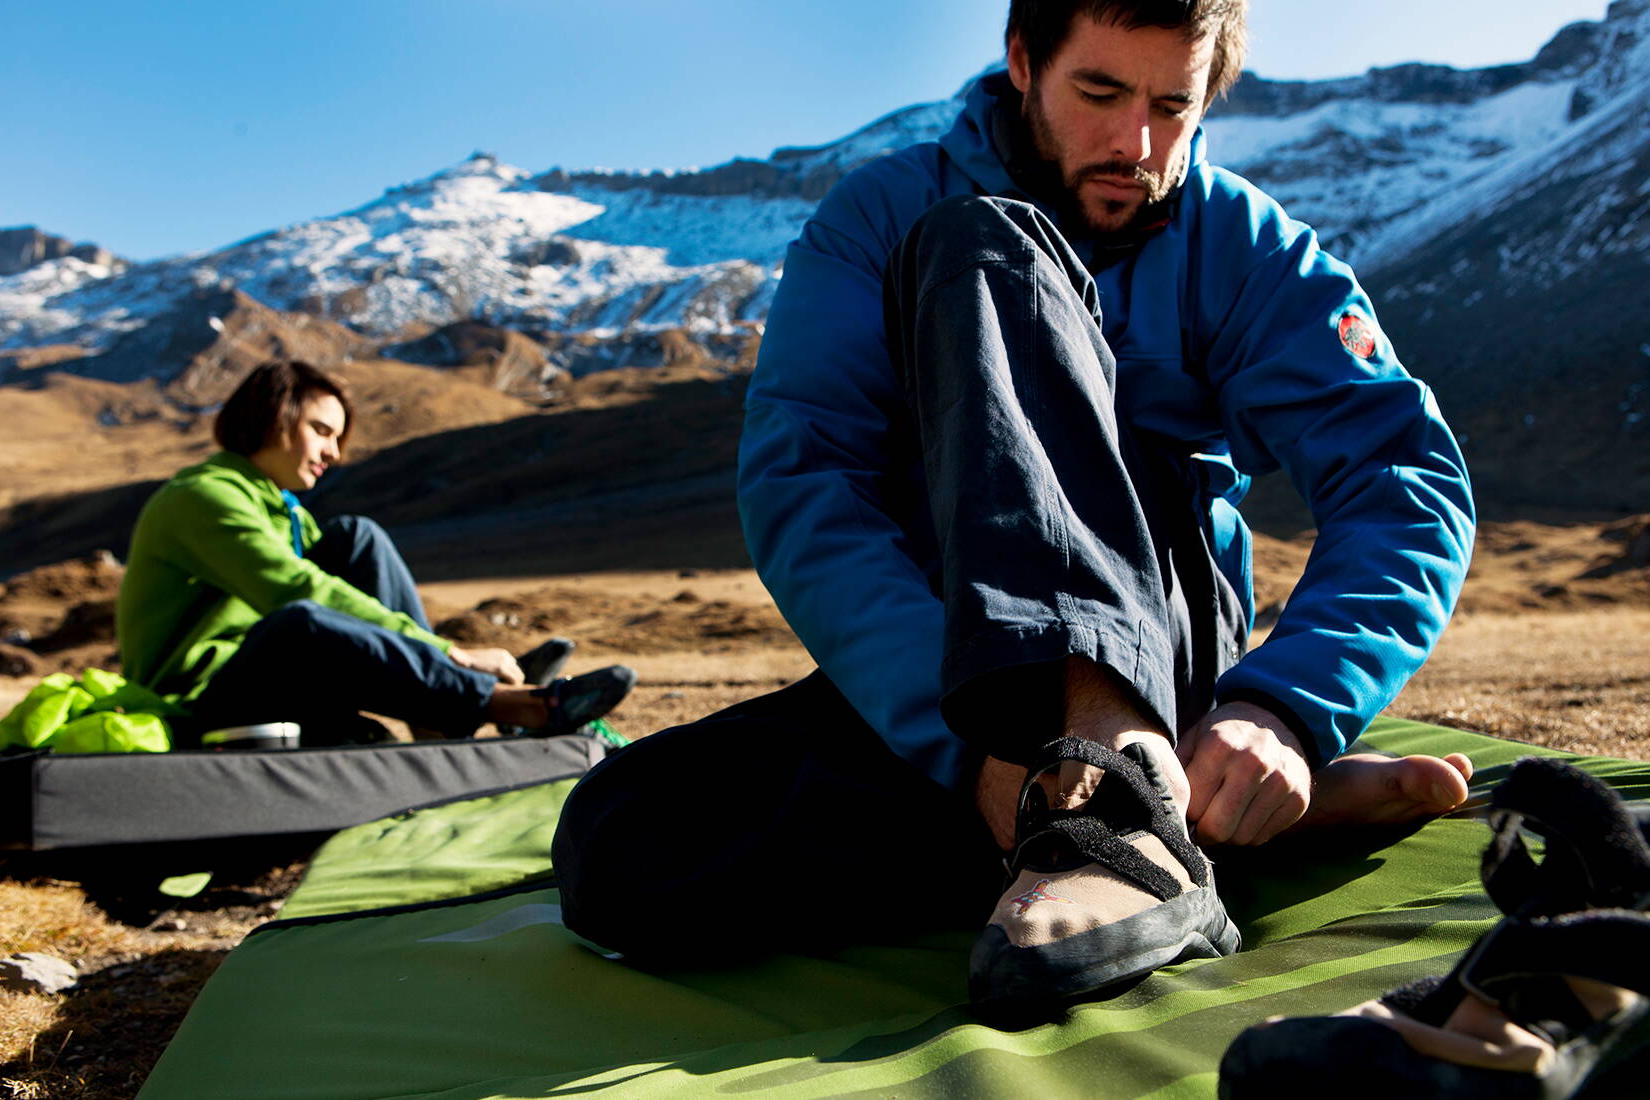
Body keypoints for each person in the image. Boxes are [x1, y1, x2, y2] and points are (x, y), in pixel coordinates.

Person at [557, 0, 1475, 1008]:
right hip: (955, 667)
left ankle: (1125, 780)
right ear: (1022, 61)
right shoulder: (877, 215)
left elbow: (1401, 476)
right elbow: (809, 483)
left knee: (982, 243)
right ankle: (1167, 809)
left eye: (1171, 106)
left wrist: (1286, 707)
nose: (1135, 143)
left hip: (1160, 635)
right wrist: (971, 747)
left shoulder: (1247, 246)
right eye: (1099, 92)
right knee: (620, 841)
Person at [116, 359, 634, 748]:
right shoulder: (202, 497)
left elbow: (338, 581)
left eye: (337, 438)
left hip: (265, 680)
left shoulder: (282, 510)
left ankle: (438, 723)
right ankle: (513, 706)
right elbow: (295, 590)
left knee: (356, 539)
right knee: (299, 620)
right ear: (274, 419)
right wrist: (443, 649)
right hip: (196, 702)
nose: (333, 454)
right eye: (321, 431)